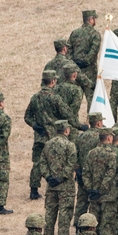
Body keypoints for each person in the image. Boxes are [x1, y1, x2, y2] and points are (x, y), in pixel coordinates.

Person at [25, 70, 72, 199]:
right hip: (54, 137)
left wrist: (35, 125)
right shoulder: (55, 97)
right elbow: (66, 114)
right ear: (53, 81)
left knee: (37, 163)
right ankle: (55, 187)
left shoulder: (35, 97)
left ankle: (34, 190)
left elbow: (27, 117)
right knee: (56, 163)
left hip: (39, 137)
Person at [40, 121, 77, 235]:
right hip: (65, 185)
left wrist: (48, 177)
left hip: (51, 185)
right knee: (65, 210)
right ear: (66, 130)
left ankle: (48, 234)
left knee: (51, 209)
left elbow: (42, 163)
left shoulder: (48, 144)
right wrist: (61, 178)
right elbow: (71, 164)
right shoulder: (70, 145)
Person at [68, 10, 102, 107]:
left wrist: (74, 63)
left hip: (75, 72)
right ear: (91, 19)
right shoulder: (95, 34)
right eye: (95, 18)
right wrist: (85, 61)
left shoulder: (74, 33)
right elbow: (94, 51)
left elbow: (68, 50)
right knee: (91, 99)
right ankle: (92, 121)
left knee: (74, 99)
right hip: (90, 71)